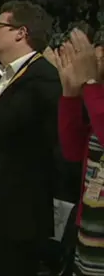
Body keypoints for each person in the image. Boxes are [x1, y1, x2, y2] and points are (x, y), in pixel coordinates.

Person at [0, 0, 60, 276]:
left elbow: (1, 124)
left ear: (20, 33)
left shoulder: (41, 76)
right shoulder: (5, 76)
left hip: (18, 211)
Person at [56, 29, 104, 276]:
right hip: (90, 229)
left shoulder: (97, 96)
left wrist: (90, 84)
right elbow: (73, 150)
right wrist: (70, 95)